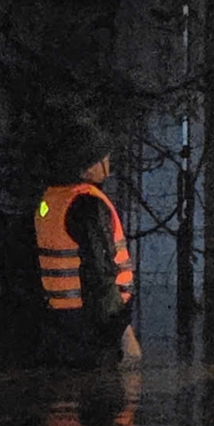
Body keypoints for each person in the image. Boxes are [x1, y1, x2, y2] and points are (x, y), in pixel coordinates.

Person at [34, 124, 140, 368]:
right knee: (105, 400)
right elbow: (100, 272)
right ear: (90, 165)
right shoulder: (87, 204)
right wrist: (123, 333)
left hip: (57, 324)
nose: (109, 163)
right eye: (105, 158)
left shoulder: (51, 199)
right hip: (92, 328)